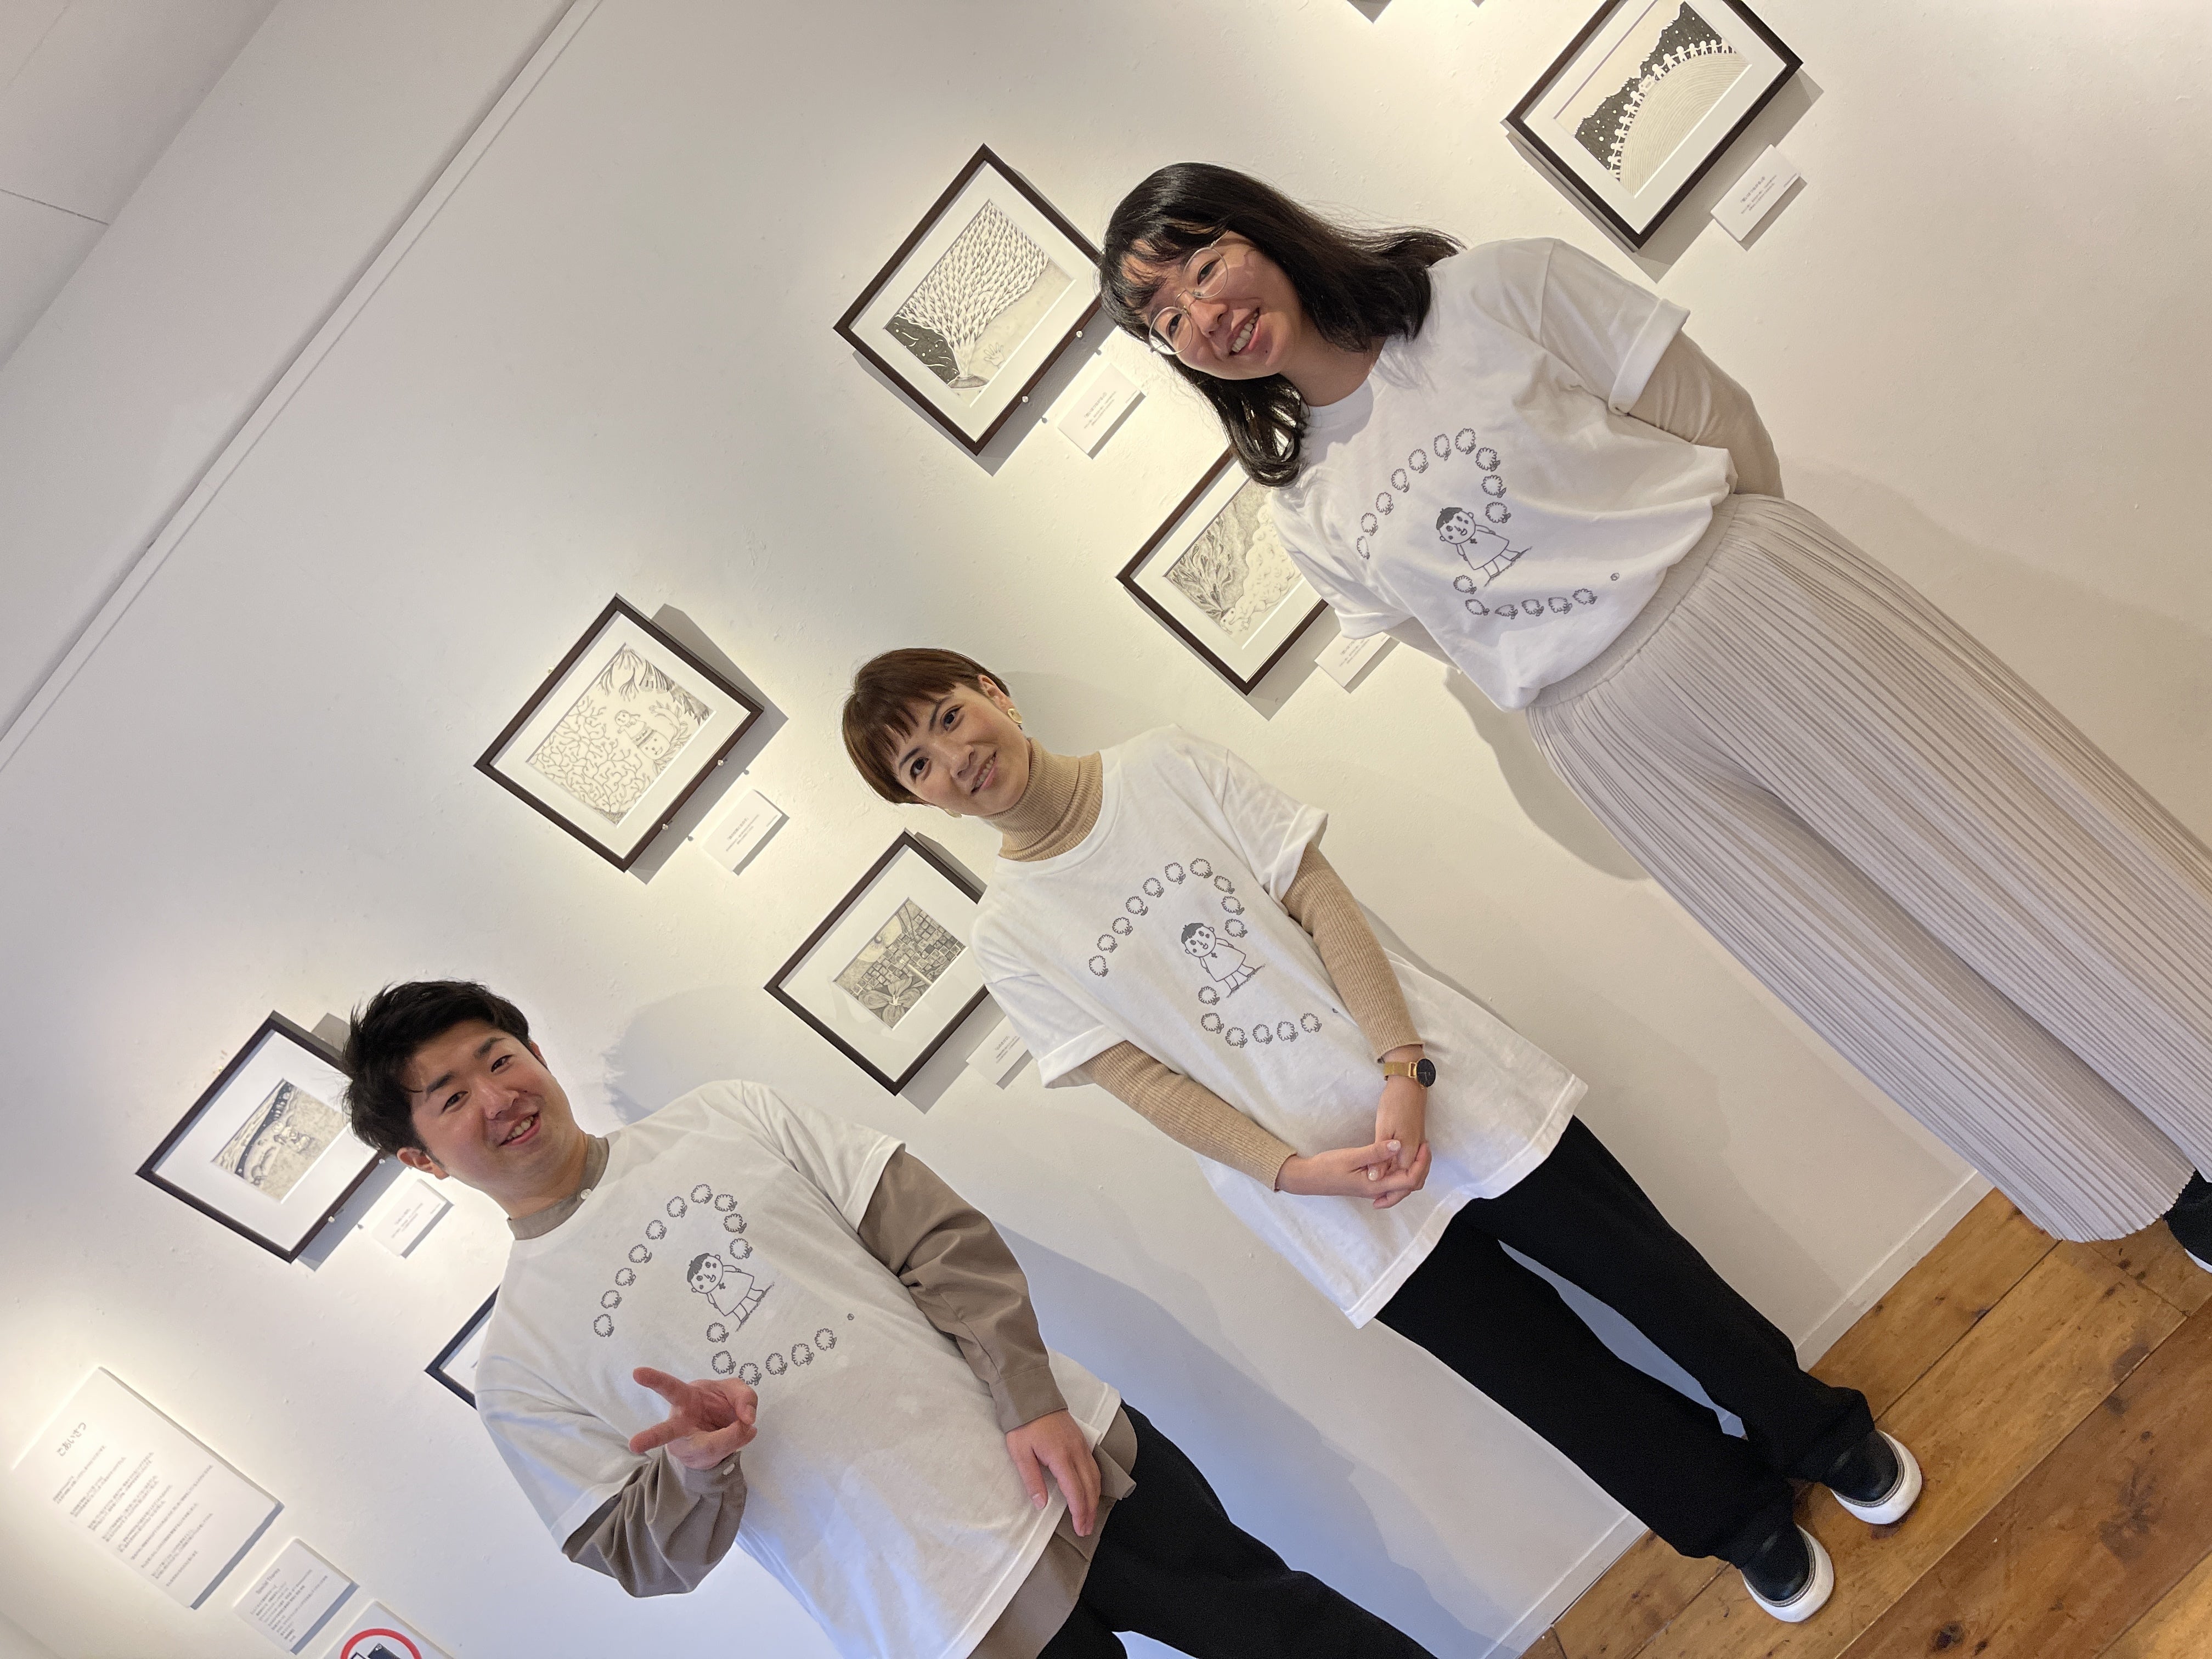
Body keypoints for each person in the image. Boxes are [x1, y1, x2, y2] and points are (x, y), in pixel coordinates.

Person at [1094, 162, 2212, 1275]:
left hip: (1747, 602)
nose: (1203, 316)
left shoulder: (1495, 292)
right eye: (1166, 318)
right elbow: (1462, 638)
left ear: (1267, 230)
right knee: (1874, 962)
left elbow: (1717, 421)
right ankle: (2169, 1191)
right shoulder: (1306, 508)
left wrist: (1731, 586)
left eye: (1205, 265)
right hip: (1611, 737)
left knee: (2019, 853)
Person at [841, 650, 1925, 1624]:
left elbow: (1317, 897)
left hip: (1446, 1088)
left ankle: (1816, 1432)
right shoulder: (1009, 935)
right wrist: (1294, 1170)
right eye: (917, 764)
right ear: (916, 799)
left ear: (994, 691)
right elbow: (1138, 1080)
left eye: (947, 716)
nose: (952, 757)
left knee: (1648, 1274)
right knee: (1550, 1380)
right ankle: (1736, 1518)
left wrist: (1402, 1070)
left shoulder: (1163, 765)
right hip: (1328, 1196)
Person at [341, 980, 1430, 1659]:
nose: (498, 1096)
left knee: (1296, 1635)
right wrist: (697, 1470)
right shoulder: (517, 1368)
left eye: (498, 1057)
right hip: (936, 1613)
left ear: (534, 1053)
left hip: (1061, 1465)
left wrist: (1032, 1401)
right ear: (420, 1157)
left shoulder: (726, 1115)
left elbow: (938, 1239)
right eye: (451, 1097)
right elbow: (636, 1555)